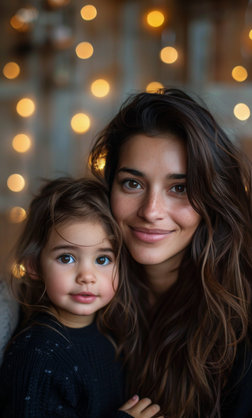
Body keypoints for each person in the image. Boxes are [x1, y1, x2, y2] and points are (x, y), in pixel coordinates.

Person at [89, 88, 252, 418]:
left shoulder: (242, 324)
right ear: (110, 189)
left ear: (211, 196)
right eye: (132, 183)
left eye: (179, 188)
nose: (151, 211)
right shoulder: (81, 295)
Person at [0, 177, 162, 418]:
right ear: (34, 265)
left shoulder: (109, 332)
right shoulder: (38, 354)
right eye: (67, 258)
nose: (87, 276)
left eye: (103, 259)